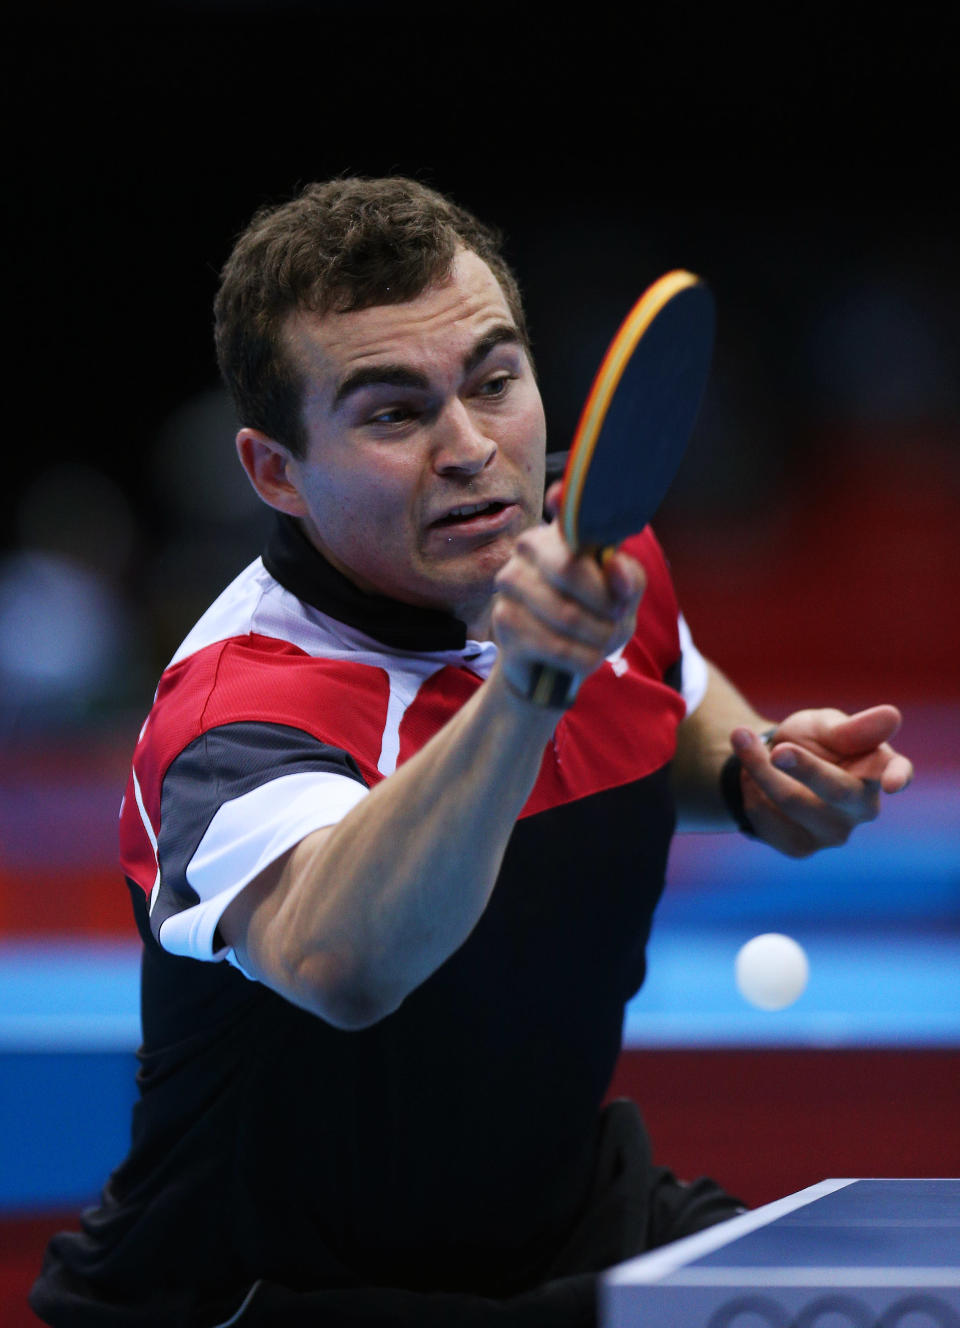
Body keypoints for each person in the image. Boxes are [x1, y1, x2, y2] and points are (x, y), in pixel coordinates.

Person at [31, 178, 912, 1327]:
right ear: (274, 470)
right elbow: (343, 960)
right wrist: (531, 681)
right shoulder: (237, 717)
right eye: (393, 413)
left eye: (495, 381)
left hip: (567, 1223)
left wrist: (760, 777)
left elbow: (673, 704)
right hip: (286, 1292)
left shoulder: (589, 558)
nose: (469, 447)